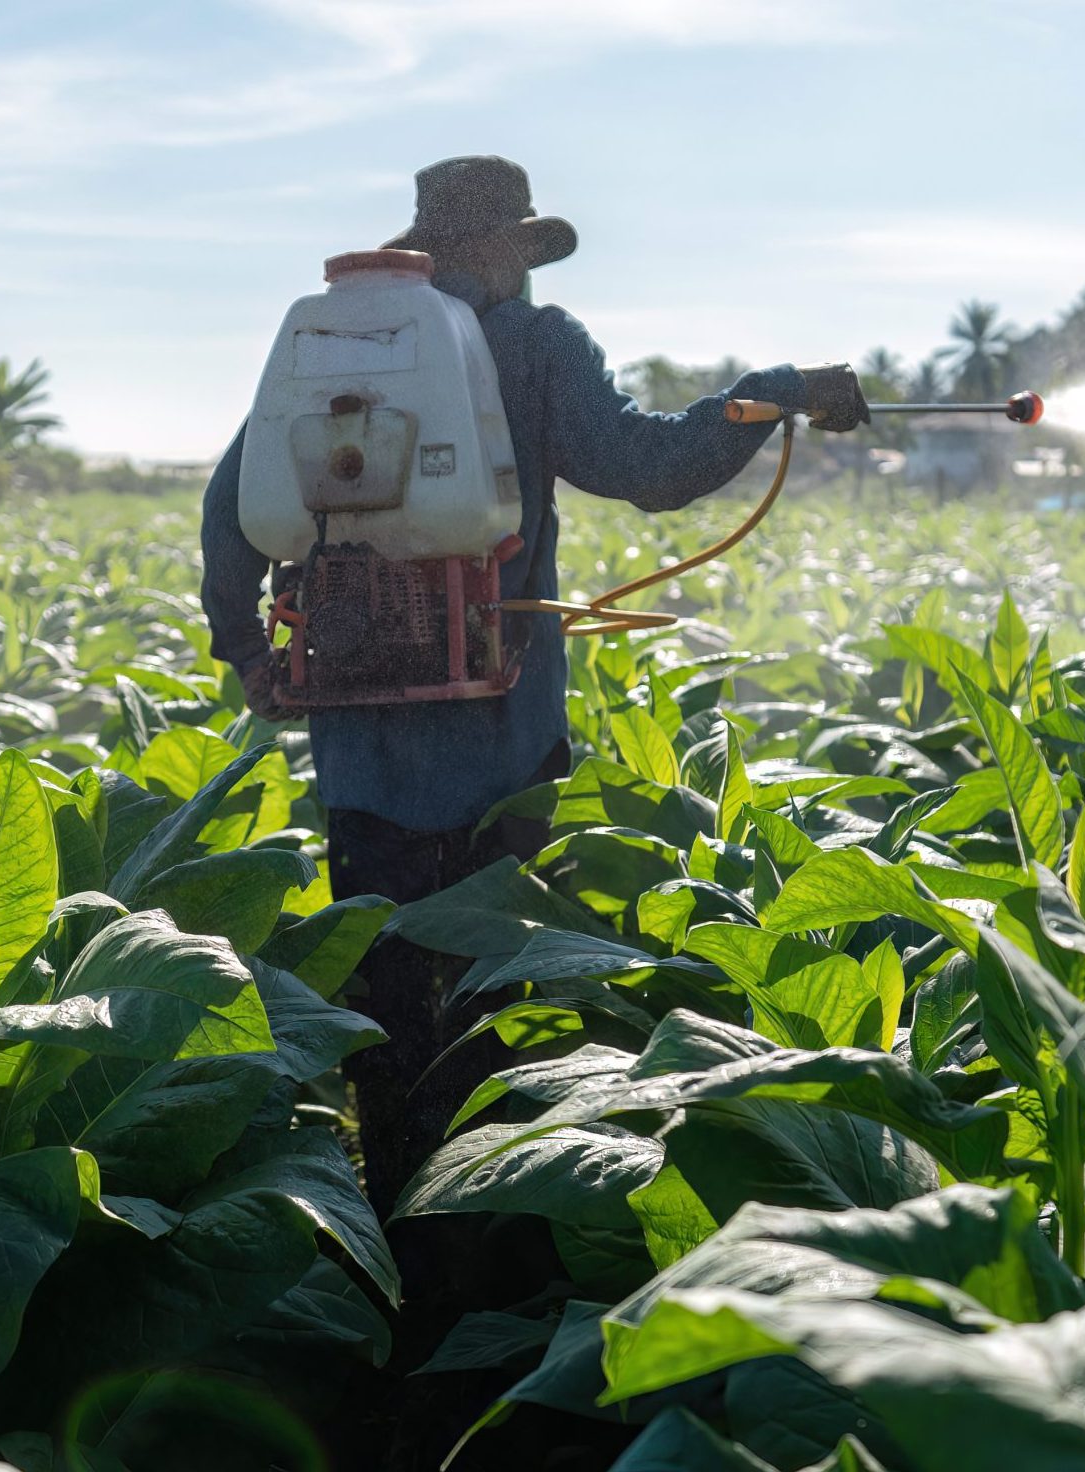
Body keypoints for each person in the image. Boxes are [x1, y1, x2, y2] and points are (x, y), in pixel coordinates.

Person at [197, 156, 860, 1456]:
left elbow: (235, 512)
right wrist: (770, 398)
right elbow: (649, 467)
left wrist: (247, 653)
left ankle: (393, 1274)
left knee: (384, 1008)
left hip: (364, 755)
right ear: (503, 246)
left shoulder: (337, 345)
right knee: (502, 990)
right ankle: (493, 1289)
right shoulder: (533, 342)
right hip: (501, 736)